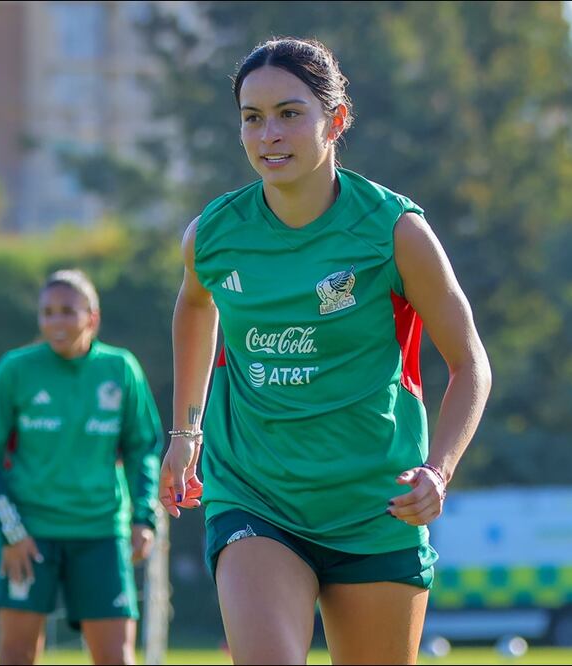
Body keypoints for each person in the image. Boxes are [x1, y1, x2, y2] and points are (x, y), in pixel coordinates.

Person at [159, 38, 492, 664]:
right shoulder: (215, 233)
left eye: (290, 113)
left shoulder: (395, 231)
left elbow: (470, 364)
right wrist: (185, 431)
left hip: (376, 505)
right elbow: (196, 305)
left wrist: (439, 472)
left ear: (335, 120)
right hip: (255, 495)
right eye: (252, 118)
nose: (268, 135)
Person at [0, 269, 162, 665]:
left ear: (92, 317)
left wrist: (143, 516)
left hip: (101, 532)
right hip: (30, 534)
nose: (55, 322)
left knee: (117, 658)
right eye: (47, 312)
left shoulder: (121, 369)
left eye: (67, 311)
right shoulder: (15, 369)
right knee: (15, 656)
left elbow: (143, 447)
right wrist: (11, 530)